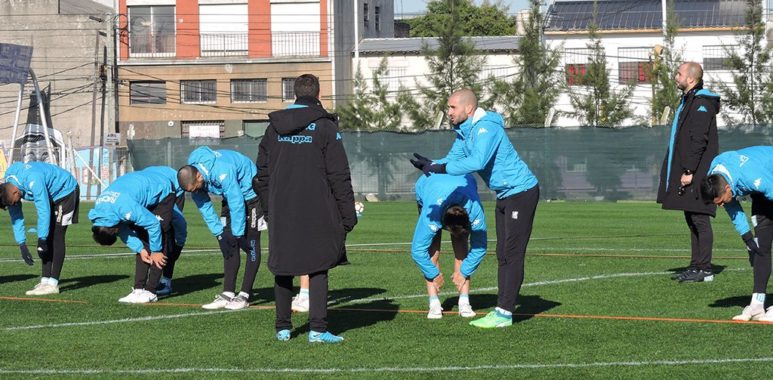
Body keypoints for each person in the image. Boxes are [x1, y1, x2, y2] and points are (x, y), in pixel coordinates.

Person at [412, 88, 539, 329]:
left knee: (512, 253)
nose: (448, 112)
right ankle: (503, 309)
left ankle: (503, 313)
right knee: (502, 253)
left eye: (452, 107)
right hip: (505, 194)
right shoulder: (465, 132)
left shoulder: (486, 128)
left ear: (468, 108)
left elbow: (477, 162)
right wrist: (431, 165)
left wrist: (441, 169)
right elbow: (453, 159)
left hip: (521, 193)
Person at [254, 73, 356, 343]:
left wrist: (269, 208)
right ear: (319, 95)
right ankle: (318, 330)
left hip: (281, 208)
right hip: (317, 207)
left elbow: (261, 174)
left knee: (283, 266)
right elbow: (339, 174)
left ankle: (283, 328)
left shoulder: (274, 127)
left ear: (295, 95)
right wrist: (348, 214)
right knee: (318, 265)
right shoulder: (325, 127)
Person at [656, 61, 720, 283]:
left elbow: (698, 141)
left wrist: (690, 170)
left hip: (698, 172)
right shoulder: (689, 100)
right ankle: (696, 266)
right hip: (690, 170)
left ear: (690, 79)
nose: (676, 76)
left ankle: (706, 269)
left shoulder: (701, 103)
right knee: (692, 218)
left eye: (679, 73)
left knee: (700, 219)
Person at [178, 147, 264, 310]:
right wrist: (218, 233)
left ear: (199, 175)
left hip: (251, 194)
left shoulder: (222, 171)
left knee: (251, 243)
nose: (195, 191)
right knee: (228, 242)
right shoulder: (194, 177)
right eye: (192, 191)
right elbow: (204, 207)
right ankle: (228, 293)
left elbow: (237, 202)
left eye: (195, 188)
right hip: (229, 195)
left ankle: (244, 295)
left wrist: (239, 235)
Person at [88, 167, 187, 304]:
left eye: (115, 233)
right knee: (143, 242)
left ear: (113, 229)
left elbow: (153, 224)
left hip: (162, 190)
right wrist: (140, 249)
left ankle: (151, 291)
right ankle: (138, 289)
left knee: (160, 234)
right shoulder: (101, 215)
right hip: (140, 193)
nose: (118, 233)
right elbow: (122, 229)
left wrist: (157, 251)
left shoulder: (125, 208)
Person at [700, 146, 773, 321]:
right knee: (760, 247)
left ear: (727, 188)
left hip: (768, 180)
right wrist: (748, 239)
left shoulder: (752, 178)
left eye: (720, 201)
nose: (720, 206)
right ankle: (757, 304)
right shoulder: (715, 176)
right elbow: (731, 205)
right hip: (761, 192)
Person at [411, 173, 486, 319]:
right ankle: (434, 304)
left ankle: (464, 303)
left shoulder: (475, 210)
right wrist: (434, 274)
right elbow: (418, 251)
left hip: (463, 182)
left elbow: (480, 247)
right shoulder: (432, 213)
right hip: (429, 186)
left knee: (461, 246)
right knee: (432, 249)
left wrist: (463, 272)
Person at [0, 161, 79, 295]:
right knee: (47, 238)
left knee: (56, 236)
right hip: (51, 195)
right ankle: (45, 281)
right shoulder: (9, 183)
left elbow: (43, 210)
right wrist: (22, 244)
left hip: (66, 192)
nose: (14, 204)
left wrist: (41, 238)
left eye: (13, 202)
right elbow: (16, 217)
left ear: (14, 192)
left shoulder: (33, 180)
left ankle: (53, 284)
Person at [142, 166, 186, 296]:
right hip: (156, 189)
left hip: (173, 188)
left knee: (167, 231)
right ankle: (147, 281)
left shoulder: (169, 188)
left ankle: (166, 282)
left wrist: (180, 243)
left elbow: (180, 222)